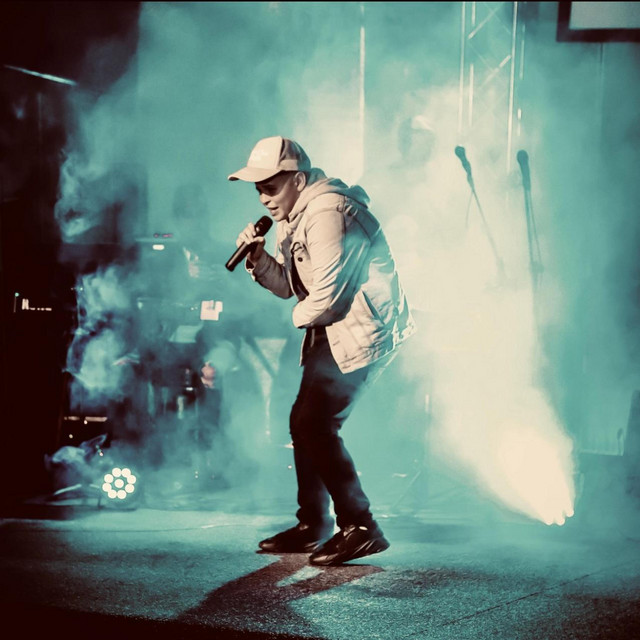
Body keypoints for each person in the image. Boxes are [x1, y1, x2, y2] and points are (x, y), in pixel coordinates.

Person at [228, 136, 416, 565]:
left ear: (297, 180)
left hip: (361, 329)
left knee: (313, 424)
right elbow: (291, 288)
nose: (263, 198)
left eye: (270, 187)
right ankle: (314, 524)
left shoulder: (328, 214)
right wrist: (258, 258)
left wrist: (297, 318)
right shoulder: (295, 216)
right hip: (332, 328)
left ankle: (362, 527)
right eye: (258, 189)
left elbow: (327, 298)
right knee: (305, 424)